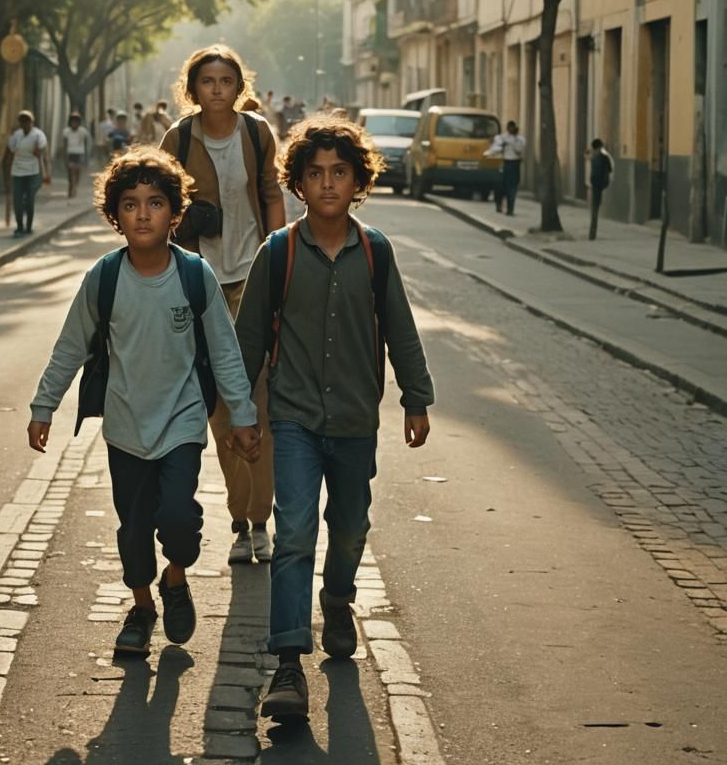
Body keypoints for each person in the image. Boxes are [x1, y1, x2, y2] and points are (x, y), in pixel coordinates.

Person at [233, 113, 434, 723]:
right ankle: (289, 663)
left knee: (350, 527)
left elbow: (399, 326)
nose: (327, 184)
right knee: (295, 536)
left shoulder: (374, 251)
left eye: (339, 173)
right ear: (298, 182)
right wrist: (244, 412)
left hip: (353, 419)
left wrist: (416, 398)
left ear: (357, 181)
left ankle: (339, 596)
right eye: (315, 173)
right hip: (292, 418)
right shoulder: (278, 252)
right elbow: (247, 341)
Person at [26, 147, 257, 655]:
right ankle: (143, 607)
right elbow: (70, 347)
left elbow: (224, 350)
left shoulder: (195, 275)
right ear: (116, 216)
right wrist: (44, 406)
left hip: (181, 423)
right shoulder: (104, 278)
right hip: (126, 425)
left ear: (175, 213)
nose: (143, 213)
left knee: (177, 517)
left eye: (155, 203)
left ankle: (175, 577)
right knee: (132, 529)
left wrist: (243, 415)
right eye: (130, 204)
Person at [159, 45, 286, 565]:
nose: (217, 88)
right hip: (201, 285)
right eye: (207, 80)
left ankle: (262, 520)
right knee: (220, 408)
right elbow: (161, 203)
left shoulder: (256, 134)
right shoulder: (179, 138)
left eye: (226, 80)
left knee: (260, 405)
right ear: (194, 88)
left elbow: (273, 195)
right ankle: (240, 520)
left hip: (254, 281)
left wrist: (279, 261)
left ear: (239, 86)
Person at [5, 110, 51, 236]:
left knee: (30, 200)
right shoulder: (16, 136)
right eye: (23, 122)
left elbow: (42, 154)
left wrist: (47, 173)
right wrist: (7, 173)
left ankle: (28, 226)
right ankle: (19, 226)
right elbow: (10, 154)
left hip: (33, 171)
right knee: (18, 201)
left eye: (27, 121)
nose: (25, 124)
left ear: (32, 122)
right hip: (18, 171)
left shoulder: (38, 135)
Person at [489, 120, 527, 214]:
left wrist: (513, 140)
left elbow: (519, 150)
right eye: (509, 127)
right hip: (505, 163)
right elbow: (493, 150)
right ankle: (499, 204)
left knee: (512, 188)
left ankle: (510, 209)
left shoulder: (520, 139)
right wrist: (502, 146)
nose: (511, 129)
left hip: (515, 164)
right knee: (501, 187)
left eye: (513, 128)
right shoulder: (501, 138)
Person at [586, 138, 615, 240]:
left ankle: (592, 234)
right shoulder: (603, 157)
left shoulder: (595, 158)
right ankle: (592, 234)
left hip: (595, 185)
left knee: (594, 209)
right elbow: (611, 168)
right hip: (598, 185)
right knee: (595, 209)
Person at [61, 112, 92, 199]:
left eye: (76, 121)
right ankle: (71, 188)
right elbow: (65, 144)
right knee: (71, 173)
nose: (74, 123)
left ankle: (75, 187)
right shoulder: (66, 131)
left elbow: (86, 143)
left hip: (79, 153)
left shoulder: (83, 131)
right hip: (70, 153)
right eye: (73, 121)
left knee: (77, 173)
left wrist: (86, 156)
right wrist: (65, 156)